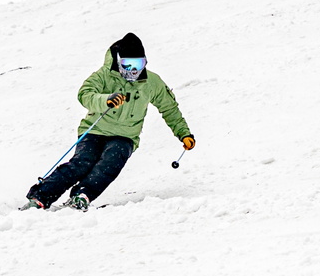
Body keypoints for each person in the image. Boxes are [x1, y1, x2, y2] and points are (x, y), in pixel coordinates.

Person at [24, 33, 195, 211]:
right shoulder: (104, 75)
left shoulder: (152, 82)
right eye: (127, 65)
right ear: (119, 61)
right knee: (82, 162)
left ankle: (82, 195)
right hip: (95, 130)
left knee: (110, 163)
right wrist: (105, 100)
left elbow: (169, 108)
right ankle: (40, 197)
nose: (133, 70)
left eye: (138, 65)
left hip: (125, 136)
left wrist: (183, 134)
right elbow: (85, 94)